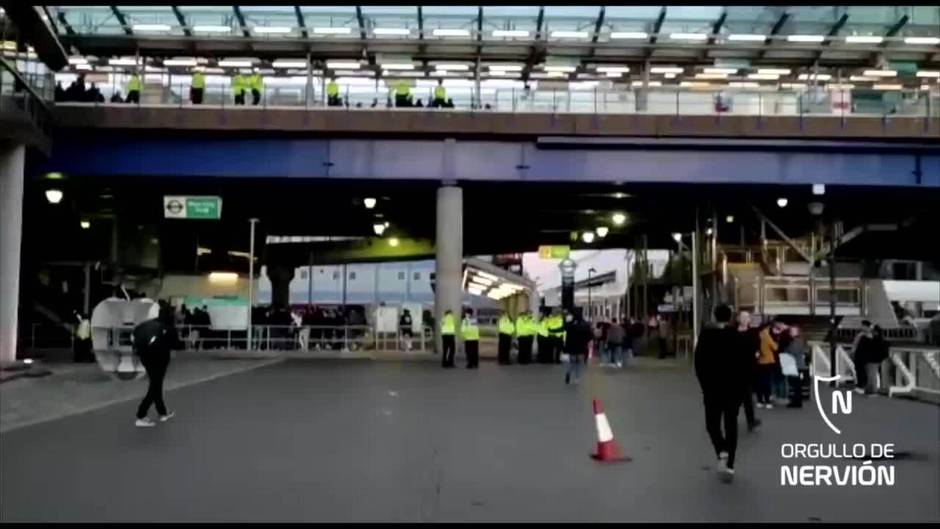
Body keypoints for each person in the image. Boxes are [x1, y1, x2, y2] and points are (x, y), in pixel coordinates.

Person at [694, 304, 747, 483]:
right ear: (731, 317)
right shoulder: (737, 337)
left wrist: (704, 384)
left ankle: (721, 449)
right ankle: (730, 464)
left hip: (712, 389)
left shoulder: (706, 336)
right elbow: (745, 365)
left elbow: (699, 363)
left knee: (712, 424)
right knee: (731, 424)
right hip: (733, 390)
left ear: (715, 316)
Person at [133, 302, 179, 427]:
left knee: (156, 384)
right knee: (155, 386)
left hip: (145, 357)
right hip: (160, 359)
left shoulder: (147, 324)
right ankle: (141, 415)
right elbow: (177, 344)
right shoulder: (168, 327)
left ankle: (162, 413)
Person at [734, 310, 761, 431]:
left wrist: (756, 354)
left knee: (747, 399)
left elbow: (757, 349)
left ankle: (751, 422)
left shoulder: (753, 333)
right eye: (742, 317)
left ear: (749, 320)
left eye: (747, 317)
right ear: (738, 319)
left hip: (747, 370)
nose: (745, 319)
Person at [781, 326, 808, 407]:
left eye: (793, 331)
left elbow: (794, 351)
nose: (791, 332)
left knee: (796, 384)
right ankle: (796, 400)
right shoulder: (796, 340)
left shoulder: (798, 341)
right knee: (795, 384)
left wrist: (786, 349)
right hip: (795, 365)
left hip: (797, 365)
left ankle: (797, 401)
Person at [564, 310, 592, 385]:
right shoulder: (585, 325)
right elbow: (590, 335)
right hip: (581, 347)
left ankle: (568, 372)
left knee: (572, 362)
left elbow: (565, 332)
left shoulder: (569, 325)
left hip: (571, 347)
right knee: (579, 364)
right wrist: (586, 341)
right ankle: (577, 378)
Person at [755, 323, 778, 408]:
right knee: (767, 381)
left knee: (760, 381)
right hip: (768, 361)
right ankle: (767, 400)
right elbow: (775, 347)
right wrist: (776, 342)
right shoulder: (766, 335)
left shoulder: (758, 335)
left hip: (759, 361)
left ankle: (759, 400)